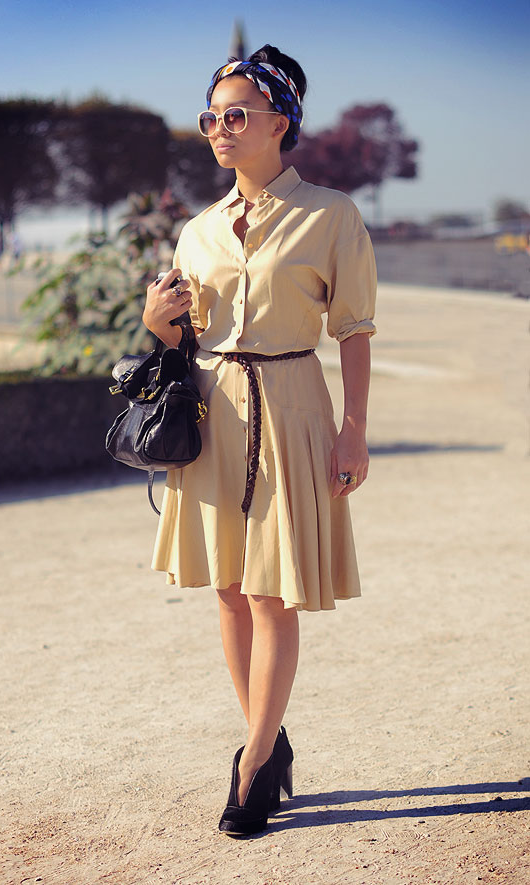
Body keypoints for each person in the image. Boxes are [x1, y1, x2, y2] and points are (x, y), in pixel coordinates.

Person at [142, 44, 377, 836]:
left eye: (236, 115)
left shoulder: (331, 215)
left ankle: (249, 768)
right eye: (211, 117)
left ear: (281, 122)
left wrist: (354, 429)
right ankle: (267, 740)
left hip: (292, 405)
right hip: (214, 412)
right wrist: (158, 326)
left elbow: (354, 328)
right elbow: (188, 339)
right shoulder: (197, 231)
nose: (220, 128)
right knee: (230, 588)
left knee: (273, 591)